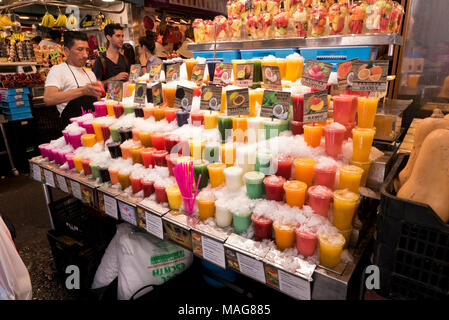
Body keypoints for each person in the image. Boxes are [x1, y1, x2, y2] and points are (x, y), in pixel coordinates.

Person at [44, 31, 103, 127]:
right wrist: (83, 91)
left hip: (93, 128)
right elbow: (48, 98)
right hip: (73, 131)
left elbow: (97, 101)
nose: (85, 55)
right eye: (80, 49)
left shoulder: (90, 73)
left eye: (87, 50)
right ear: (67, 51)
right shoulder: (58, 70)